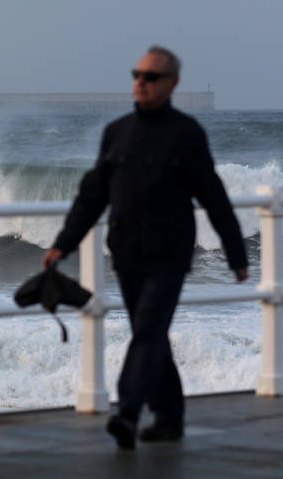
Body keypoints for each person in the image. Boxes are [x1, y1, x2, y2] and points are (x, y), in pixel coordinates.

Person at [42, 46, 248, 449]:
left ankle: (128, 412)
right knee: (149, 334)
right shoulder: (116, 133)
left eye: (151, 76)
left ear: (172, 83)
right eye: (137, 74)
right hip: (126, 254)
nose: (141, 82)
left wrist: (236, 254)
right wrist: (62, 245)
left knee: (149, 330)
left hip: (169, 255)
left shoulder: (186, 134)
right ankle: (169, 418)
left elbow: (214, 196)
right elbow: (92, 197)